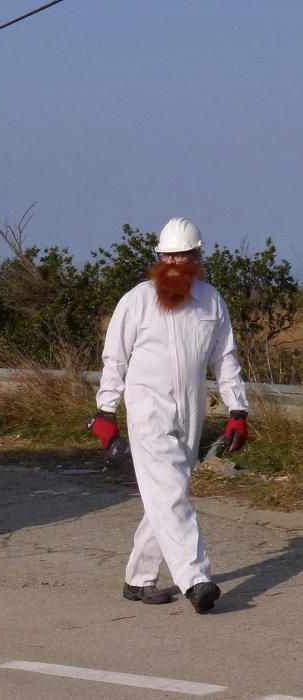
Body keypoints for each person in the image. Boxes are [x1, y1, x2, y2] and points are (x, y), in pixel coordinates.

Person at [91, 217, 248, 614]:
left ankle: (138, 579)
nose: (176, 261)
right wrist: (105, 409)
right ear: (159, 258)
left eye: (184, 254)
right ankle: (196, 579)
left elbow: (225, 360)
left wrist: (237, 409)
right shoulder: (137, 300)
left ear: (197, 257)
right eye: (169, 255)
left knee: (167, 493)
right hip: (148, 409)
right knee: (171, 492)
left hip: (191, 409)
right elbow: (115, 359)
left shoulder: (212, 301)